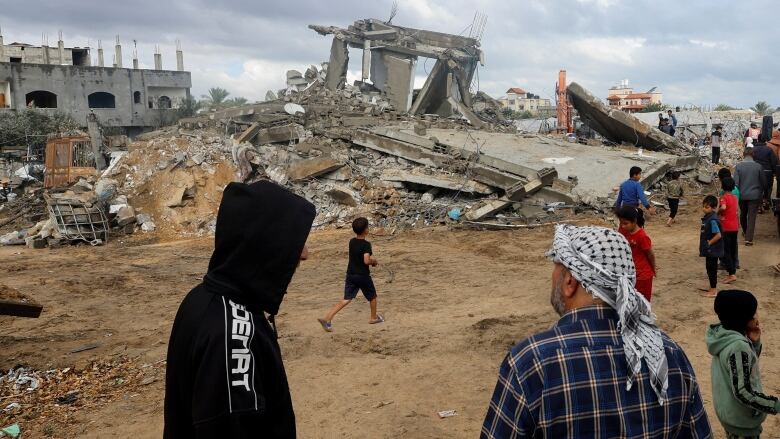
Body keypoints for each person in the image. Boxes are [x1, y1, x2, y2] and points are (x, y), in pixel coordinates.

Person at [481, 225, 712, 438]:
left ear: (570, 282)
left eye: (556, 268)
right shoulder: (669, 353)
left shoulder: (533, 362)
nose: (552, 279)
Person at [164, 181, 316, 438]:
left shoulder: (204, 297)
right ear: (265, 243)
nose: (305, 254)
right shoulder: (231, 335)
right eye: (293, 241)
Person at [707, 290, 780, 438]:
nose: (757, 317)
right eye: (753, 314)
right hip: (742, 421)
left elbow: (744, 367)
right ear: (741, 319)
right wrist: (775, 405)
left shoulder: (723, 335)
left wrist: (754, 343)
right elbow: (743, 392)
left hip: (730, 414)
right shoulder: (738, 347)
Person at [318, 217, 384, 332]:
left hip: (351, 274)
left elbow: (359, 256)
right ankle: (373, 318)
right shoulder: (366, 244)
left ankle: (327, 318)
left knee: (346, 298)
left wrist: (370, 260)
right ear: (366, 230)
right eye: (367, 227)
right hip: (362, 276)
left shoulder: (351, 242)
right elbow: (366, 261)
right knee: (373, 297)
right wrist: (374, 261)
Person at [616, 206, 656, 301]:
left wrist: (653, 269)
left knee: (642, 301)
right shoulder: (623, 230)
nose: (622, 226)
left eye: (625, 223)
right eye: (621, 223)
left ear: (634, 221)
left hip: (642, 275)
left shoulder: (642, 236)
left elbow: (650, 254)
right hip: (629, 272)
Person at [734, 148, 767, 245]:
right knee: (751, 217)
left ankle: (745, 231)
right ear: (753, 154)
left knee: (743, 214)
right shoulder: (758, 167)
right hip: (755, 195)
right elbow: (764, 183)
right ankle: (748, 239)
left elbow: (736, 183)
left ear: (743, 154)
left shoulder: (738, 167)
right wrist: (762, 192)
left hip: (742, 195)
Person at [700, 195, 725, 298]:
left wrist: (709, 243)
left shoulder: (712, 220)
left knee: (712, 269)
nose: (704, 209)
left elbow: (718, 235)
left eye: (707, 207)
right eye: (704, 206)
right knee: (709, 268)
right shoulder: (708, 218)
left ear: (713, 208)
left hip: (712, 250)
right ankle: (712, 287)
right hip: (710, 250)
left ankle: (714, 290)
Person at [719, 177, 739, 284]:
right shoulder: (735, 197)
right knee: (732, 250)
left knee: (725, 251)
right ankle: (732, 271)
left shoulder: (723, 197)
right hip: (734, 227)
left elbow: (723, 207)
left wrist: (718, 212)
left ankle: (731, 274)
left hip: (726, 227)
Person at [752, 134, 779, 208]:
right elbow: (774, 162)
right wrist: (774, 172)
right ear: (765, 140)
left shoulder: (753, 149)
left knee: (758, 187)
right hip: (767, 171)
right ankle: (766, 200)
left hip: (756, 171)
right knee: (768, 187)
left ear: (757, 139)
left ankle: (759, 204)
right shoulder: (769, 149)